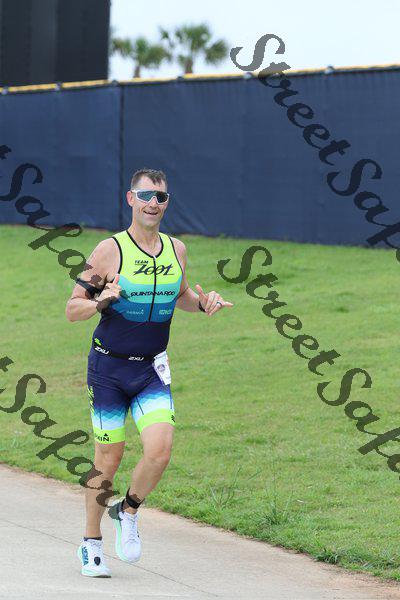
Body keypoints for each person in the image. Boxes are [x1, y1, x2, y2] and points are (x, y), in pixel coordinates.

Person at [66, 168, 233, 577]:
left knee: (159, 451)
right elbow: (73, 308)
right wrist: (101, 300)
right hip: (108, 369)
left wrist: (204, 302)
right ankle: (91, 542)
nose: (153, 204)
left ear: (166, 203)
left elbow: (181, 296)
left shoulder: (177, 250)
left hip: (151, 370)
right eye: (145, 196)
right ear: (131, 199)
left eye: (160, 197)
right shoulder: (110, 251)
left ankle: (127, 511)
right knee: (108, 458)